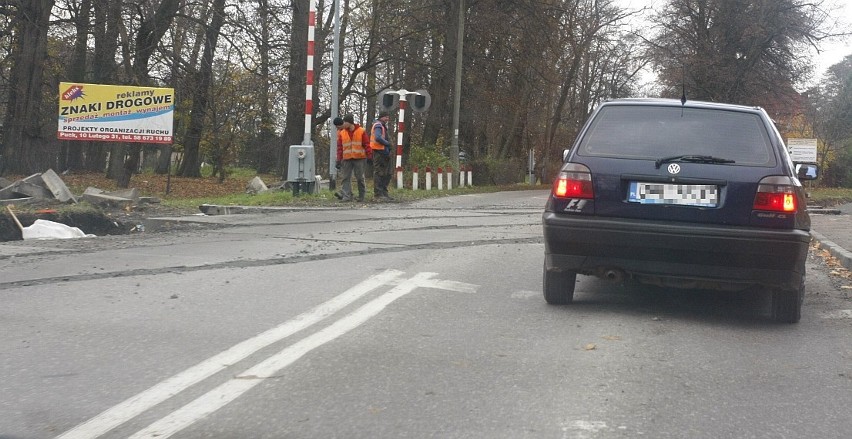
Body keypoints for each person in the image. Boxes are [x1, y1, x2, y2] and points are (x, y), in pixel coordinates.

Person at [334, 114, 371, 202]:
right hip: (347, 158)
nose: (344, 124)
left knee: (359, 177)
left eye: (345, 122)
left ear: (350, 122)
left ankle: (361, 196)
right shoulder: (342, 133)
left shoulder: (361, 131)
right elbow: (340, 148)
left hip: (359, 158)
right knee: (345, 177)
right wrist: (339, 160)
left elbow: (366, 144)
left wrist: (369, 156)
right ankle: (347, 196)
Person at [370, 111, 393, 200]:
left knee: (386, 174)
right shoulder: (378, 125)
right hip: (379, 152)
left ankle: (383, 193)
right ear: (381, 117)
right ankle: (379, 194)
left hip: (383, 152)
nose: (387, 119)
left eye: (388, 117)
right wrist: (387, 143)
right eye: (386, 117)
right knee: (379, 173)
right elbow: (378, 137)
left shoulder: (382, 126)